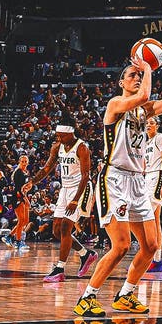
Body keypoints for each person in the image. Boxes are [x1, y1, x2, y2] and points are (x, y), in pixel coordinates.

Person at [72, 51, 162, 319]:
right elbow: (144, 95)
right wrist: (147, 66)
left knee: (151, 245)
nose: (137, 77)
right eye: (133, 75)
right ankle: (87, 297)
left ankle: (126, 294)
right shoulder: (114, 104)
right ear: (122, 82)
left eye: (139, 75)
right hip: (115, 180)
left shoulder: (144, 112)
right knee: (121, 245)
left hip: (138, 181)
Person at [24, 116, 98, 282]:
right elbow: (47, 168)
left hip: (81, 188)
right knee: (56, 230)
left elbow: (86, 176)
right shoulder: (58, 147)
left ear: (71, 133)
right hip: (65, 189)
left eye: (62, 135)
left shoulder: (82, 148)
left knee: (65, 227)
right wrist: (32, 182)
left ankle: (59, 269)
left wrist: (75, 200)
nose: (58, 138)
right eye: (57, 135)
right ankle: (85, 254)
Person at [143, 116, 162, 272]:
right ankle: (157, 260)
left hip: (158, 177)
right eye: (146, 123)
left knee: (146, 217)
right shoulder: (146, 142)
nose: (148, 125)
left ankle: (149, 257)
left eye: (152, 123)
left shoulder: (161, 138)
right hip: (148, 178)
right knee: (154, 220)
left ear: (157, 126)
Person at [5, 155, 31, 249]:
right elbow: (18, 189)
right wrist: (25, 199)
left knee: (26, 221)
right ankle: (18, 242)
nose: (24, 163)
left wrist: (28, 188)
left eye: (26, 161)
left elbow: (25, 186)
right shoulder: (18, 172)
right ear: (19, 162)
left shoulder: (26, 172)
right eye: (22, 161)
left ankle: (9, 236)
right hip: (18, 197)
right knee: (21, 221)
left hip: (23, 196)